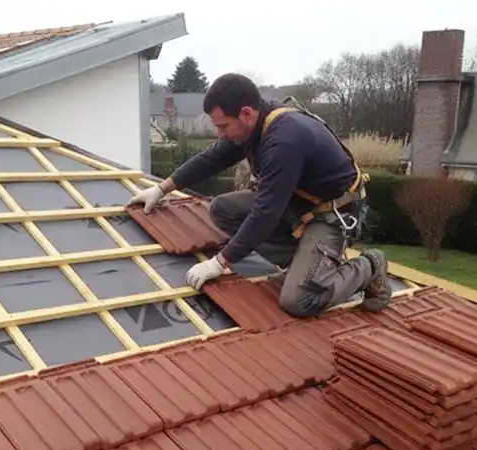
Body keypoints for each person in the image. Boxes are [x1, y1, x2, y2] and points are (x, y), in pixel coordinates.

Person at [128, 73, 391, 318]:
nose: (221, 134)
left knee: (299, 300)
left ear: (245, 113)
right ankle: (301, 261)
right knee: (222, 209)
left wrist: (220, 263)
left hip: (332, 214)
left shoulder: (285, 139)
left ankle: (370, 266)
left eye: (223, 126)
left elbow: (266, 212)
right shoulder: (254, 126)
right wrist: (162, 188)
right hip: (297, 205)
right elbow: (212, 158)